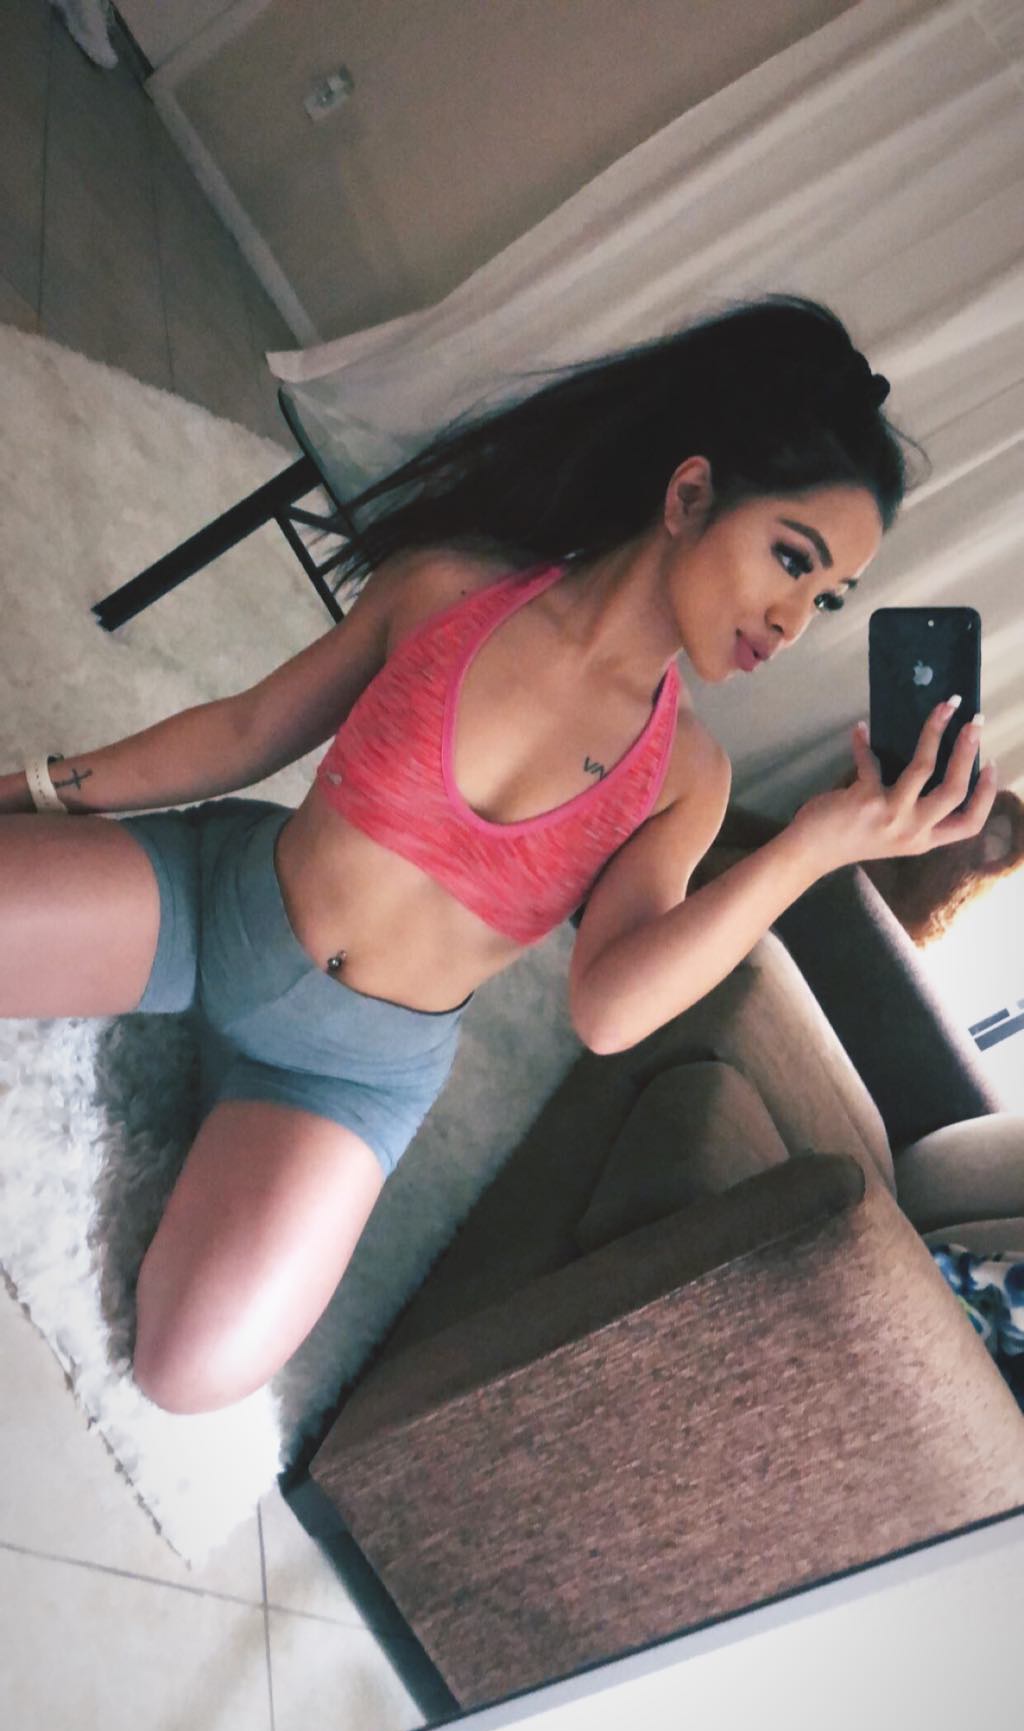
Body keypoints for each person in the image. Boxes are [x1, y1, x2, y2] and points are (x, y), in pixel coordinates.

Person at [0, 294, 997, 1417]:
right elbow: (246, 730)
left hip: (344, 1072)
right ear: (689, 496)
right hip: (217, 906)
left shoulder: (685, 774)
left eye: (826, 597)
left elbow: (608, 1010)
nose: (792, 620)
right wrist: (41, 787)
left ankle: (230, 1105)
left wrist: (812, 847)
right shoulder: (449, 587)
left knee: (187, 1371)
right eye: (790, 559)